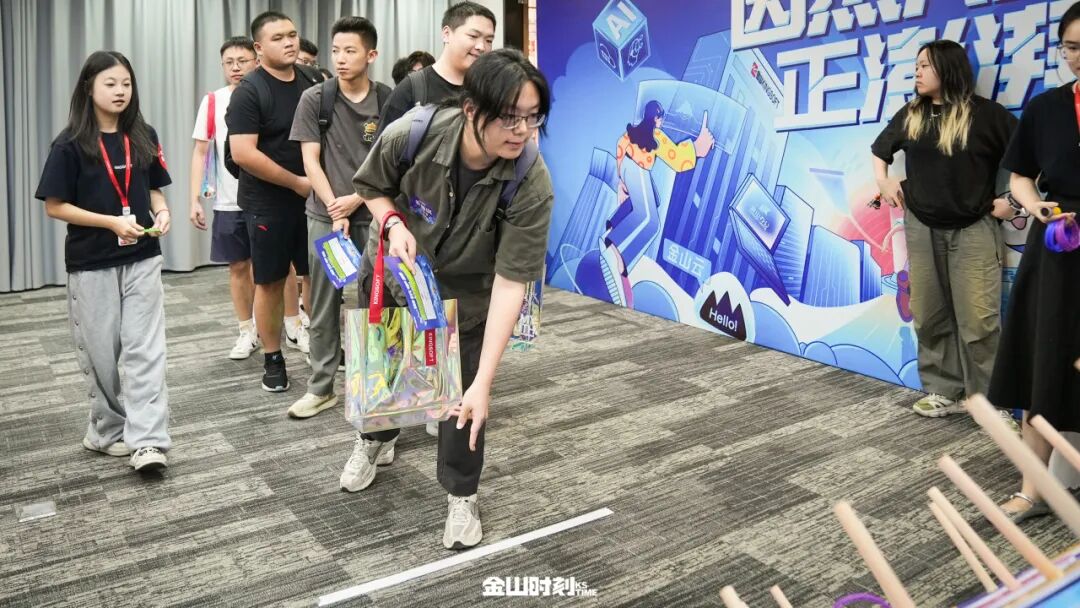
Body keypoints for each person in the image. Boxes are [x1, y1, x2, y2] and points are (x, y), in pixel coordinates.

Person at [341, 48, 554, 550]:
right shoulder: (413, 133)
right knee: (386, 370)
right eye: (509, 117)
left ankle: (463, 493)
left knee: (465, 400)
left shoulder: (531, 182)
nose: (522, 131)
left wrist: (484, 383)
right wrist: (393, 224)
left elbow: (511, 283)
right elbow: (372, 186)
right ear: (471, 109)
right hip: (397, 272)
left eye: (532, 118)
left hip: (468, 294)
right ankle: (375, 441)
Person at [35, 51, 172, 472]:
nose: (120, 91)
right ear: (89, 88)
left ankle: (148, 440)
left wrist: (161, 211)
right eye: (110, 83)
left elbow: (153, 188)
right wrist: (110, 222)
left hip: (142, 257)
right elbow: (55, 206)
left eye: (126, 83)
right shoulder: (70, 144)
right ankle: (107, 430)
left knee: (146, 349)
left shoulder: (143, 134)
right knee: (101, 354)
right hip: (92, 261)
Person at [870, 39, 1017, 418]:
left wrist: (1014, 202)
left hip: (974, 226)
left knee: (980, 318)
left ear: (948, 69)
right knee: (929, 312)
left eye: (925, 66)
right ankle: (944, 391)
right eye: (916, 66)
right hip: (921, 225)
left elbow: (1029, 160)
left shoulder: (987, 115)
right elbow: (879, 150)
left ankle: (991, 403)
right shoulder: (912, 114)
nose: (917, 73)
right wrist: (884, 181)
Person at [989, 1, 1080, 524]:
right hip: (1058, 246)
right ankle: (1032, 489)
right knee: (1041, 363)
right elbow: (1021, 175)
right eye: (1071, 47)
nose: (1078, 57)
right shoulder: (1046, 108)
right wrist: (1034, 205)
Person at [287, 16, 392, 419]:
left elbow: (392, 163)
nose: (341, 59)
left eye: (350, 51)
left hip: (374, 213)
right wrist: (335, 207)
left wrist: (355, 200)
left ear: (371, 54)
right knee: (323, 303)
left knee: (375, 301)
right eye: (336, 51)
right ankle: (321, 387)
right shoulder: (316, 98)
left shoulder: (387, 100)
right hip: (325, 214)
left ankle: (375, 386)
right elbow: (310, 161)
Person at [227, 10, 319, 392]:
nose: (289, 42)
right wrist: (296, 182)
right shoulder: (249, 91)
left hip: (314, 199)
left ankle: (323, 346)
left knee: (318, 276)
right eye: (278, 37)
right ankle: (273, 358)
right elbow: (243, 154)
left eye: (292, 34)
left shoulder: (313, 80)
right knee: (270, 281)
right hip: (268, 202)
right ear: (259, 47)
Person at [189, 36, 262, 360]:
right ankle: (246, 331)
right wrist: (194, 199)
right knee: (238, 267)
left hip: (266, 200)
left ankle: (277, 325)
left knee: (272, 269)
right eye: (229, 62)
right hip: (228, 202)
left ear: (256, 61)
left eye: (242, 61)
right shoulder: (214, 101)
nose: (235, 67)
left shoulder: (266, 94)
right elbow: (200, 152)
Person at [375, 1, 495, 139]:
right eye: (473, 36)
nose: (482, 47)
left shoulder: (489, 91)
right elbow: (382, 148)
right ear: (446, 34)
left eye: (489, 40)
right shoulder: (413, 88)